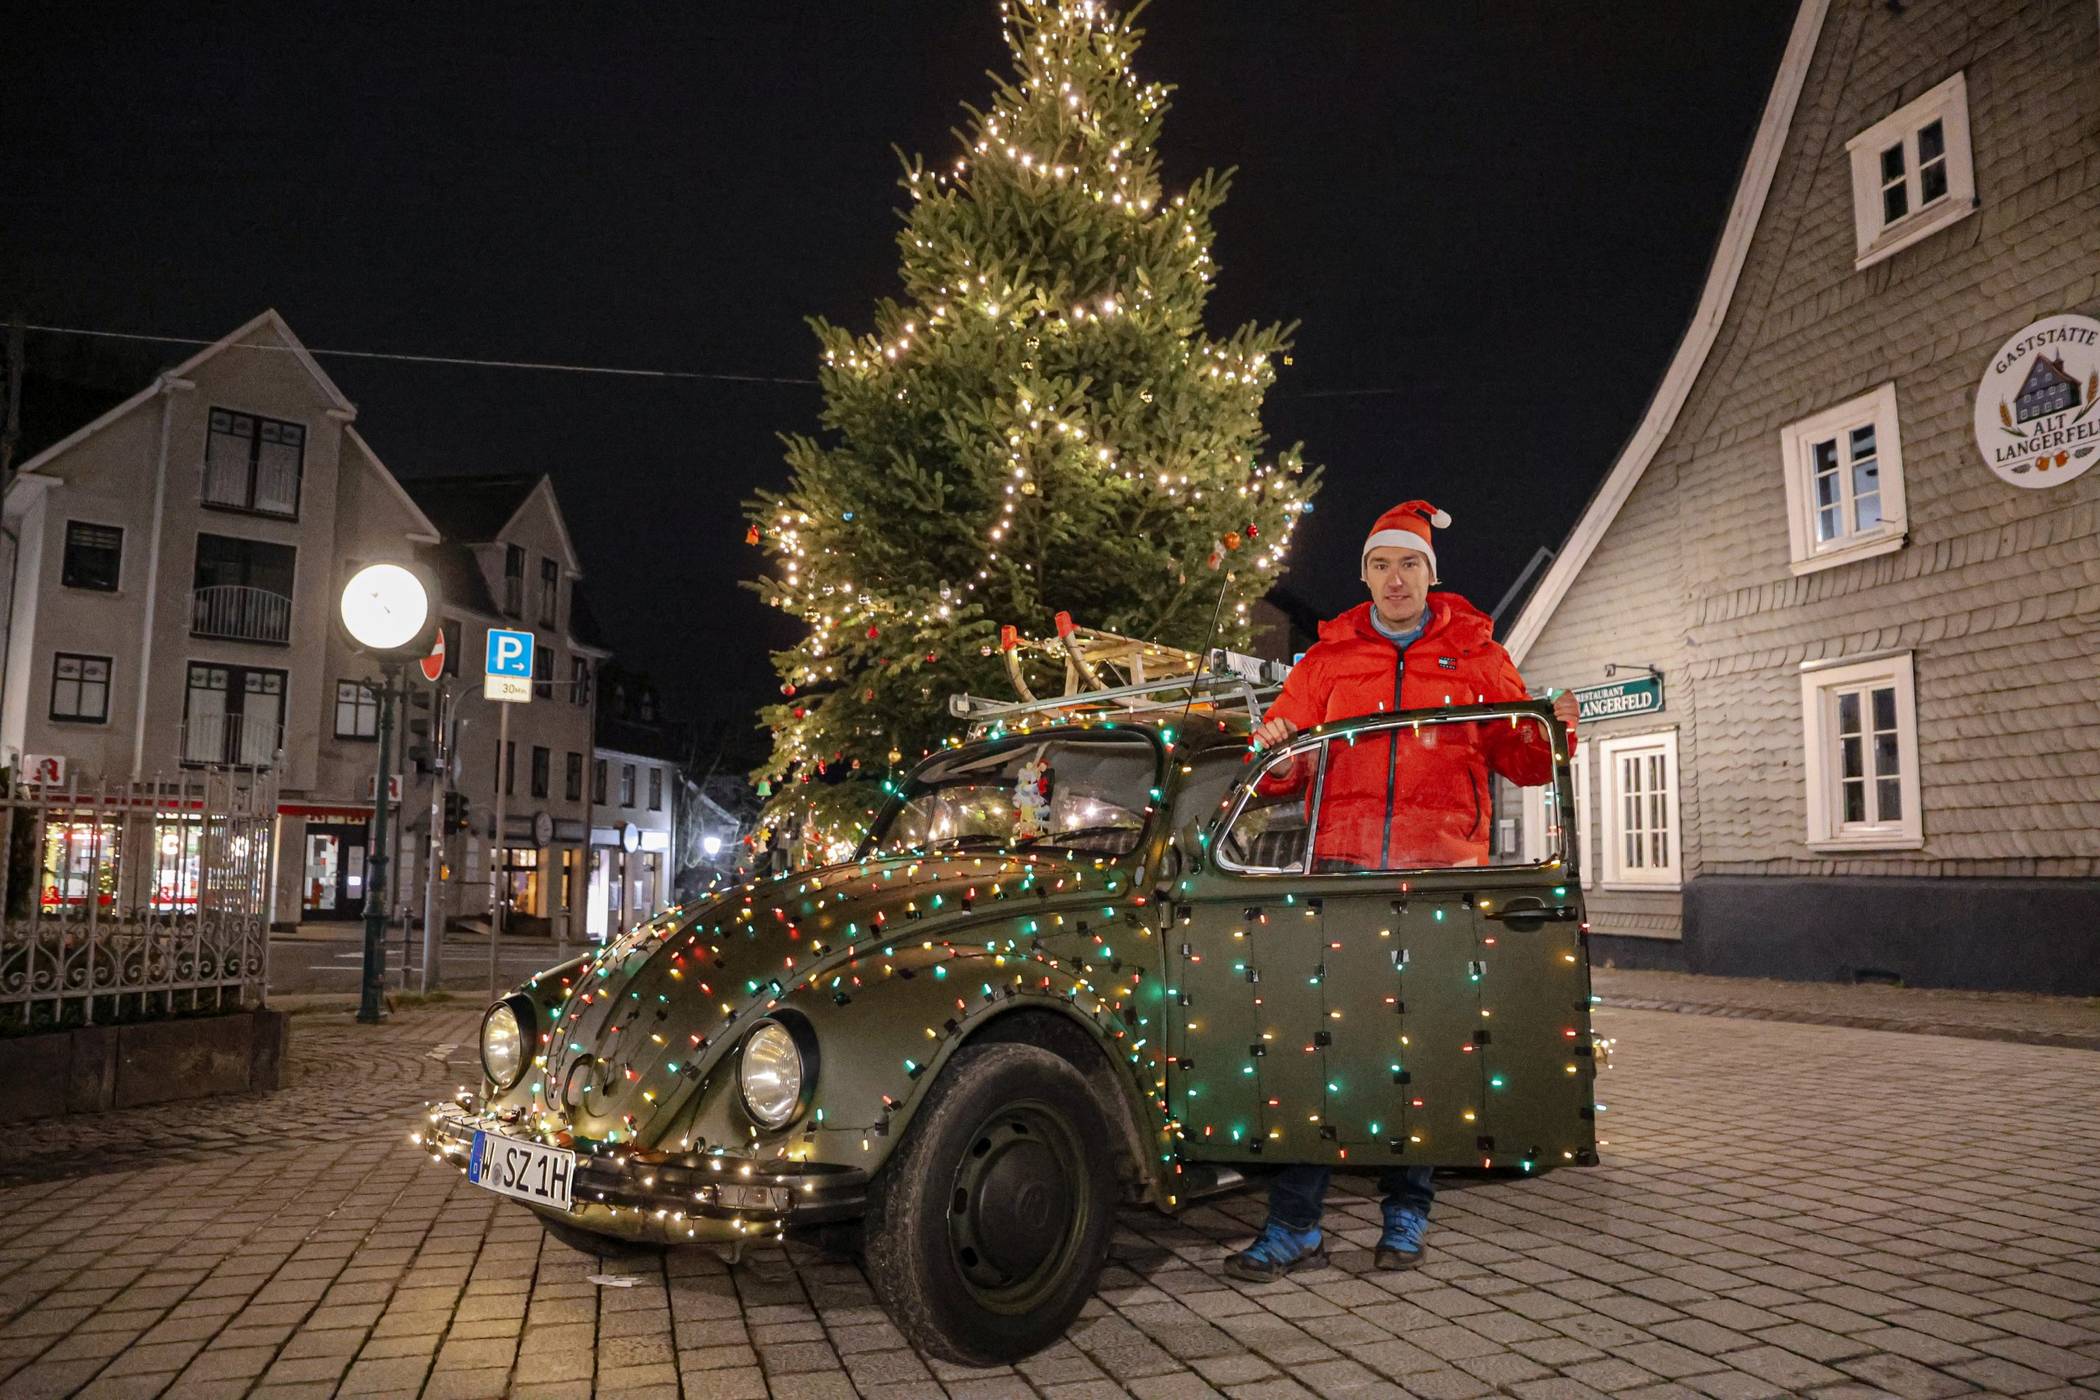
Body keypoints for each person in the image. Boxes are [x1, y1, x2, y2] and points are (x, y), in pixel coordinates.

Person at [1225, 499, 1578, 1282]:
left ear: (1431, 574)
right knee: (1320, 1047)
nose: (1396, 578)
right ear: (1364, 576)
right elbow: (1282, 771)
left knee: (1420, 1050)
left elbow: (1524, 762)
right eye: (1381, 564)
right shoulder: (1328, 662)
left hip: (1442, 874)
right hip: (1344, 874)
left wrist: (1552, 727)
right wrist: (1276, 747)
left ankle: (1407, 1215)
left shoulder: (1478, 656)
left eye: (1409, 563)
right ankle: (1294, 1225)